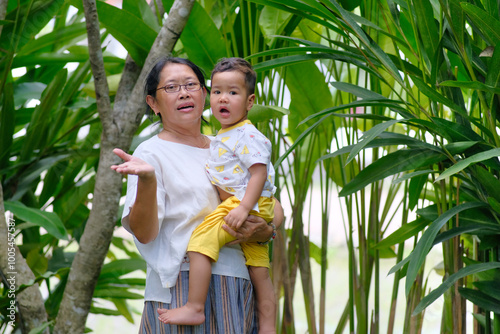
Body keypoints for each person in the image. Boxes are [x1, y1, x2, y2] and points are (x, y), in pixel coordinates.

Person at [110, 57, 283, 333]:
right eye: (171, 87)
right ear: (153, 103)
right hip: (179, 290)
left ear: (205, 94)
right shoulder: (150, 153)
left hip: (236, 283)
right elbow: (143, 233)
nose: (183, 92)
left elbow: (269, 206)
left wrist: (266, 231)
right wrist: (148, 180)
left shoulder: (228, 144)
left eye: (191, 84)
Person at [158, 58, 277, 333]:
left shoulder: (246, 135)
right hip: (249, 205)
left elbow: (259, 176)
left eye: (233, 93)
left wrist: (243, 209)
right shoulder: (225, 136)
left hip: (241, 204)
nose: (223, 98)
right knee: (260, 273)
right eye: (217, 91)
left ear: (250, 102)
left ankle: (194, 307)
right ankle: (268, 327)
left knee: (200, 240)